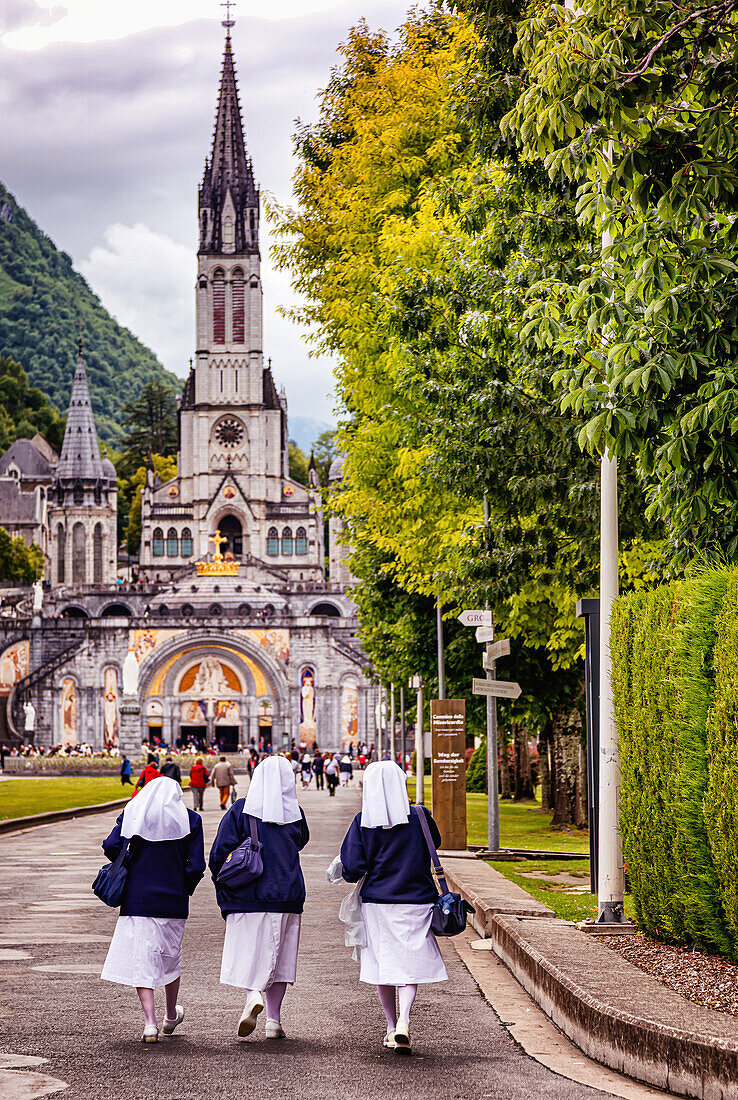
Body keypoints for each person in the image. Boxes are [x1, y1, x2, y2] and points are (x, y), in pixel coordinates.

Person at [338, 761, 447, 1054]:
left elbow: (352, 868)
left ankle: (389, 1026)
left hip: (377, 903)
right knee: (408, 965)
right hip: (418, 900)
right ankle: (404, 1019)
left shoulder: (363, 821)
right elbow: (434, 844)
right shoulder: (420, 816)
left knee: (383, 964)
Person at [209, 755, 309, 1040]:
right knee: (282, 957)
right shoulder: (295, 812)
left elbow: (218, 853)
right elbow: (301, 841)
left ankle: (253, 993)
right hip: (287, 892)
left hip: (248, 894)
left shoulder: (241, 810)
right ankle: (274, 1021)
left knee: (248, 951)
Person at [99, 777, 205, 1042]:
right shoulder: (190, 819)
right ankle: (171, 1014)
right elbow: (196, 866)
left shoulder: (133, 813)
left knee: (141, 958)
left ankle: (150, 1023)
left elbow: (110, 846)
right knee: (170, 957)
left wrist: (133, 857)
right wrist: (184, 887)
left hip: (137, 897)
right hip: (173, 899)